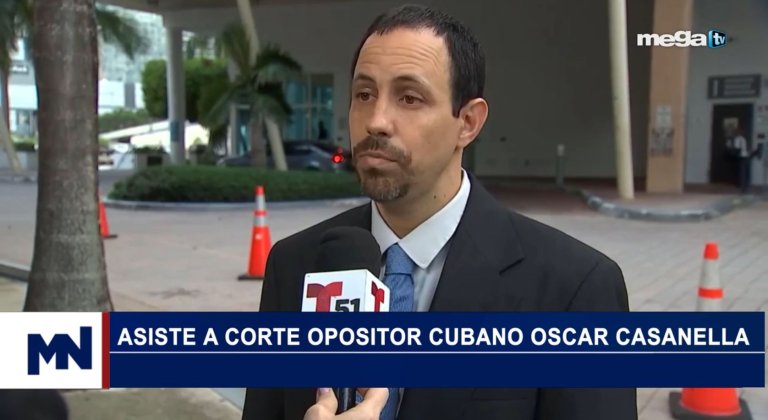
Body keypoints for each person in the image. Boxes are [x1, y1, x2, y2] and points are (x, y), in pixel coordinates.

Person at [242, 4, 636, 420]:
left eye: (409, 98)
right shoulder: (296, 265)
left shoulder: (574, 289)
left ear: (468, 122)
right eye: (364, 95)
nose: (376, 121)